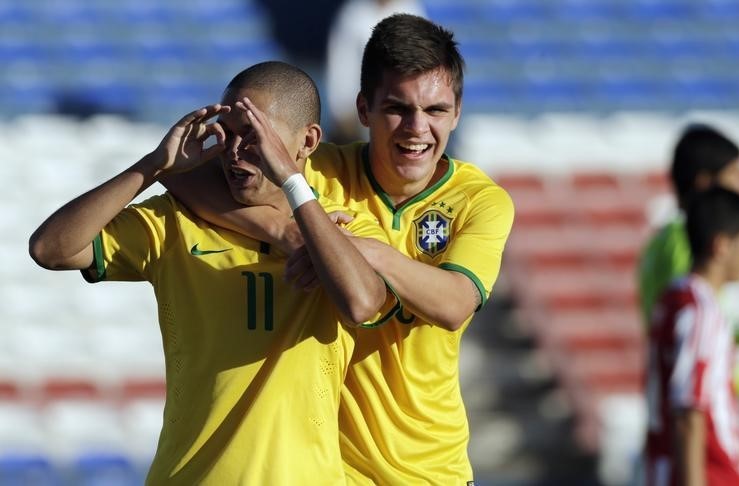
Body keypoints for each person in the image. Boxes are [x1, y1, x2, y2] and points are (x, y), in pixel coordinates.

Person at [167, 14, 515, 483]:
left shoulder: (480, 200)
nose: (416, 128)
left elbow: (454, 305)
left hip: (430, 470)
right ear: (363, 109)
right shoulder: (319, 169)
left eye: (434, 110)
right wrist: (286, 231)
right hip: (331, 470)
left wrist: (362, 250)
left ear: (456, 113)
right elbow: (182, 174)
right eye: (397, 108)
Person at [28, 61, 395, 484]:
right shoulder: (175, 221)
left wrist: (293, 190)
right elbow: (50, 248)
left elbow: (362, 302)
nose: (236, 150)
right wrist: (153, 166)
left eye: (255, 136)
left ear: (307, 141)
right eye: (230, 132)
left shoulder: (340, 224)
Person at [638, 124, 739, 427]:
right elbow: (700, 338)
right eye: (735, 176)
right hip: (696, 424)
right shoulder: (684, 243)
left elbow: (711, 328)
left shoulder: (662, 241)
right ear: (705, 183)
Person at [645, 187, 739, 485]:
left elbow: (718, 399)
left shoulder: (675, 300)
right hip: (712, 476)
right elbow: (689, 413)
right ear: (722, 246)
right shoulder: (699, 312)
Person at [325, 0, 425, 144]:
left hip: (402, 106)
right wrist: (342, 110)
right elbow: (341, 66)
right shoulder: (354, 14)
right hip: (362, 109)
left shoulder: (412, 9)